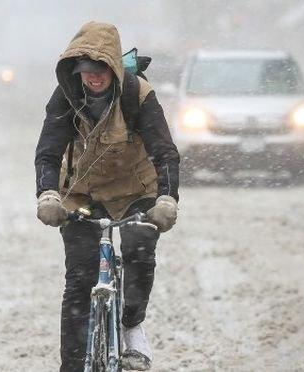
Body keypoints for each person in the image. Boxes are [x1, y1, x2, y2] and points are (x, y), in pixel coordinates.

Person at [34, 21, 180, 371]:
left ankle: (131, 324)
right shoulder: (66, 95)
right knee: (80, 279)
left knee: (138, 250)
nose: (94, 78)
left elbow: (165, 152)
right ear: (76, 70)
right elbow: (48, 152)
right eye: (86, 70)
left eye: (101, 70)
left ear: (114, 67)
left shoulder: (137, 95)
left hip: (136, 192)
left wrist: (167, 199)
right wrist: (48, 195)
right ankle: (71, 366)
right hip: (84, 195)